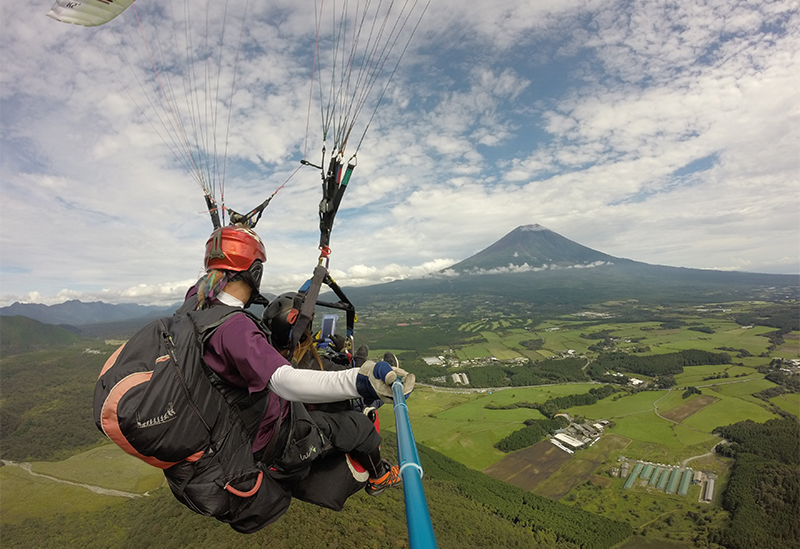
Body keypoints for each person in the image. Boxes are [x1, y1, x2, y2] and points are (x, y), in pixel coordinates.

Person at [189, 224, 414, 499]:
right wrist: (361, 378)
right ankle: (379, 475)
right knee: (359, 426)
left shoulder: (195, 308)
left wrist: (232, 233)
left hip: (238, 427)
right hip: (277, 437)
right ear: (255, 272)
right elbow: (285, 380)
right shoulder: (234, 328)